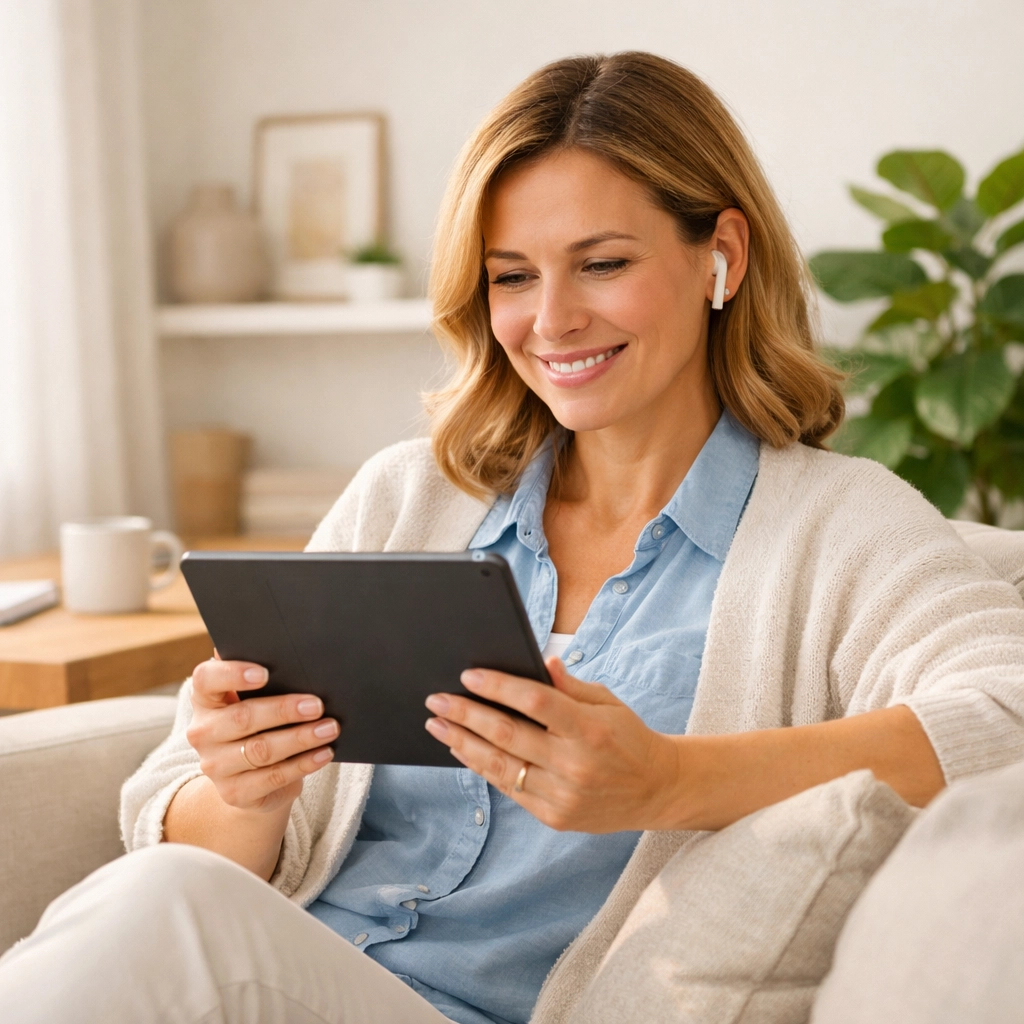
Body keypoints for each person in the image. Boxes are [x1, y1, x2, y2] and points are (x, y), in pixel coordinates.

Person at [3, 51, 1024, 1024]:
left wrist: (667, 778)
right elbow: (180, 825)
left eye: (602, 263)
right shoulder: (408, 499)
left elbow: (1004, 712)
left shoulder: (836, 526)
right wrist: (246, 790)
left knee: (170, 912)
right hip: (276, 975)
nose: (552, 320)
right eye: (511, 277)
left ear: (722, 254)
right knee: (172, 896)